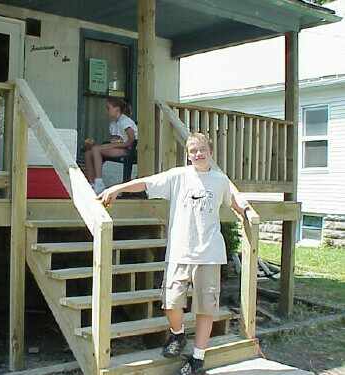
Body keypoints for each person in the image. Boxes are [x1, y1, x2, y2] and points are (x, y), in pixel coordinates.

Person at [98, 133, 249, 375]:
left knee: (206, 308)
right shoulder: (178, 176)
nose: (198, 154)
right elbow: (146, 183)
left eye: (202, 149)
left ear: (210, 151)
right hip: (179, 252)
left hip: (209, 254)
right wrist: (118, 188)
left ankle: (198, 358)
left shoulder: (220, 180)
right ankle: (177, 335)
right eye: (193, 151)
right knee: (170, 302)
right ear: (188, 155)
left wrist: (247, 209)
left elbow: (234, 201)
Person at [84, 97, 138, 194]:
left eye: (108, 108)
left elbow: (131, 140)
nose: (107, 111)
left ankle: (99, 182)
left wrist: (118, 145)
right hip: (117, 146)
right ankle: (92, 183)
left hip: (127, 149)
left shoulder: (125, 121)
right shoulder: (113, 123)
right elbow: (114, 139)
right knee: (89, 152)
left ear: (117, 109)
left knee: (96, 149)